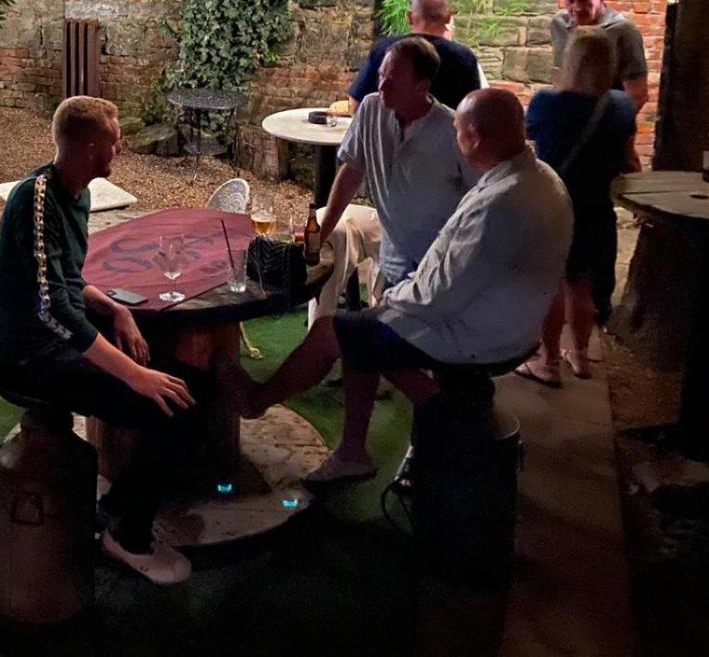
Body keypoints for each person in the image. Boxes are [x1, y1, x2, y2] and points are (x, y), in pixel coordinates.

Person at [223, 90, 572, 485]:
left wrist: (392, 299)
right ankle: (365, 445)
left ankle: (255, 402)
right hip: (514, 324)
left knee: (332, 332)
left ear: (473, 137)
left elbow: (437, 296)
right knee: (362, 330)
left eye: (458, 132)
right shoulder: (544, 178)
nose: (455, 140)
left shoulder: (499, 203)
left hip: (478, 332)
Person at [0, 96, 201, 585]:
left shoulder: (79, 193)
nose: (120, 149)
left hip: (61, 337)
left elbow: (67, 280)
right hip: (31, 353)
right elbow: (52, 309)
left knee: (185, 383)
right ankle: (128, 536)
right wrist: (135, 375)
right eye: (115, 140)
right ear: (89, 147)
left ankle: (116, 507)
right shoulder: (35, 199)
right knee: (168, 407)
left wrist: (116, 309)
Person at [313, 36, 478, 329]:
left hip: (438, 269)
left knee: (420, 342)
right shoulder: (371, 110)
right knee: (380, 339)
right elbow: (352, 171)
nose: (382, 86)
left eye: (393, 80)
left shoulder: (452, 132)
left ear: (422, 86)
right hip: (393, 259)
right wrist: (321, 234)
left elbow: (479, 200)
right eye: (381, 76)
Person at [517, 28, 640, 385]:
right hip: (597, 207)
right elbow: (627, 156)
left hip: (553, 204)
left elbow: (530, 137)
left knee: (551, 285)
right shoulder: (621, 106)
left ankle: (549, 361)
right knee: (582, 284)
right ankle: (581, 356)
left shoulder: (546, 103)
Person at [348, 0, 487, 112]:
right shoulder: (463, 58)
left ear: (409, 17)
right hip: (444, 132)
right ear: (448, 18)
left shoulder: (384, 49)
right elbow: (474, 111)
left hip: (385, 133)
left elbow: (355, 104)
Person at [552, 0, 649, 112]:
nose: (577, 8)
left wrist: (612, 123)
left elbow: (637, 94)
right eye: (570, 1)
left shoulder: (623, 31)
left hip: (606, 118)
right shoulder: (559, 24)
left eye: (585, 0)